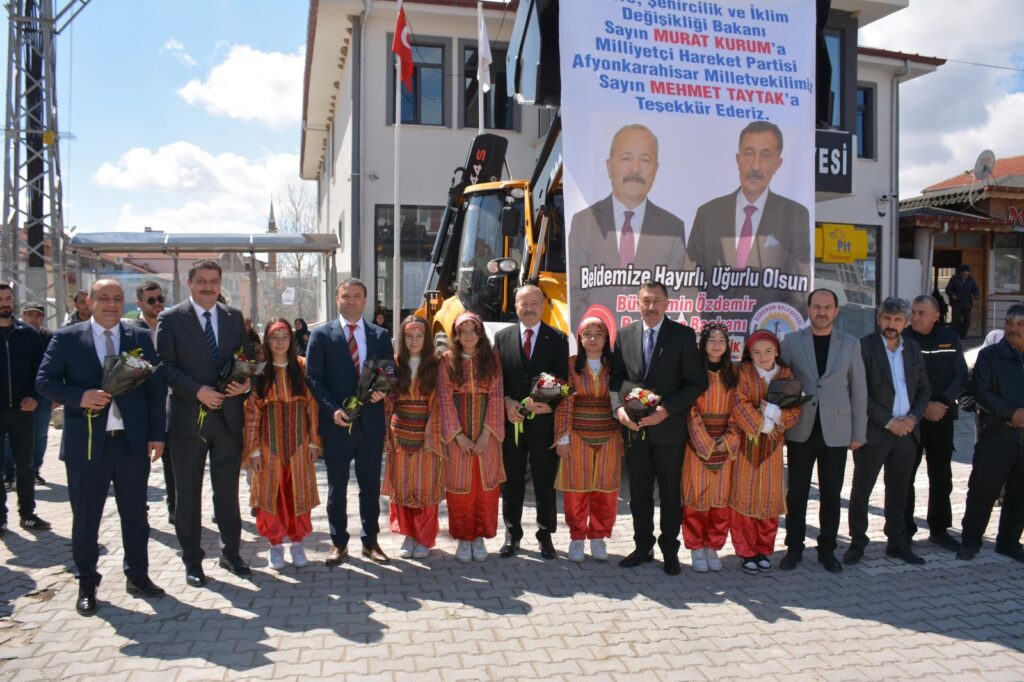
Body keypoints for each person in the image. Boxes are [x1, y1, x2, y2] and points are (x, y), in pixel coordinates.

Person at [36, 278, 166, 615]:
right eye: (104, 298)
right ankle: (87, 584)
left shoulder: (137, 337)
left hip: (131, 443)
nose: (111, 304)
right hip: (87, 445)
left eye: (117, 298)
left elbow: (154, 389)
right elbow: (44, 381)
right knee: (86, 519)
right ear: (89, 302)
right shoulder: (67, 339)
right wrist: (79, 397)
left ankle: (138, 575)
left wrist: (157, 434)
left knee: (136, 516)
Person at [156, 259, 254, 587]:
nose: (208, 286)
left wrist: (246, 384)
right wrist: (197, 391)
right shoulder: (171, 319)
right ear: (189, 282)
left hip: (228, 419)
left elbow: (246, 360)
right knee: (188, 494)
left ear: (220, 283)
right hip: (188, 421)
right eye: (202, 281)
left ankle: (231, 552)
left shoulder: (233, 317)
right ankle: (193, 560)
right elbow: (164, 368)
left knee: (227, 492)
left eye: (214, 281)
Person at [610, 280, 707, 575]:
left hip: (668, 432)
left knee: (668, 494)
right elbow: (616, 380)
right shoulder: (624, 335)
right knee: (639, 494)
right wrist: (619, 411)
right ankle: (643, 546)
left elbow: (696, 383)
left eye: (656, 302)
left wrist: (666, 411)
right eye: (645, 301)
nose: (651, 308)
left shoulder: (683, 336)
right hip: (634, 430)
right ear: (637, 304)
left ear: (667, 304)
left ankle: (669, 550)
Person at [778, 288, 867, 573]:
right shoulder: (791, 342)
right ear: (809, 309)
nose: (822, 312)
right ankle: (793, 549)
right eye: (817, 307)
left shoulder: (851, 344)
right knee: (797, 494)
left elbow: (859, 390)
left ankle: (827, 550)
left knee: (831, 494)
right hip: (800, 429)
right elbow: (782, 387)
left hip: (837, 431)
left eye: (828, 307)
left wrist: (858, 433)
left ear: (837, 311)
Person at [306, 278, 393, 566]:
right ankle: (338, 543)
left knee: (370, 487)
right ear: (337, 298)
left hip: (370, 425)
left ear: (365, 300)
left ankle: (371, 542)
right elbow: (314, 379)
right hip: (337, 424)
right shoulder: (321, 336)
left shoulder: (380, 335)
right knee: (337, 487)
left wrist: (383, 390)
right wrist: (331, 410)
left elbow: (388, 371)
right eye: (346, 295)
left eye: (357, 296)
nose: (352, 300)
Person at [568, 124, 687, 329]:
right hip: (599, 344)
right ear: (609, 166)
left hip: (648, 345)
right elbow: (576, 293)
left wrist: (648, 337)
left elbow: (673, 296)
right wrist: (595, 339)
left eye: (645, 160)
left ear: (655, 169)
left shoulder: (672, 227)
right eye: (626, 158)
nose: (635, 169)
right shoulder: (584, 222)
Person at [844, 298, 931, 566]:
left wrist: (913, 419)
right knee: (862, 490)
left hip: (907, 433)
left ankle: (897, 543)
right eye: (886, 319)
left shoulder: (913, 349)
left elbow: (924, 389)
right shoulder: (864, 347)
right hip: (875, 431)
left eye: (896, 320)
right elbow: (859, 392)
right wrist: (889, 422)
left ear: (906, 323)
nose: (891, 325)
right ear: (879, 319)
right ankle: (857, 543)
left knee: (900, 490)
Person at [495, 284, 570, 559]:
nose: (528, 308)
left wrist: (547, 406)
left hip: (542, 425)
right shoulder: (501, 338)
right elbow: (496, 381)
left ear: (543, 306)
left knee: (544, 481)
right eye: (522, 303)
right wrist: (506, 401)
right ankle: (512, 535)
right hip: (512, 422)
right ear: (514, 306)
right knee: (511, 481)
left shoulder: (558, 339)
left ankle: (545, 535)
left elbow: (564, 381)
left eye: (534, 303)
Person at [685, 122, 811, 283]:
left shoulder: (794, 216)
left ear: (777, 164)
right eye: (749, 154)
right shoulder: (707, 213)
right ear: (738, 160)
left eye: (765, 156)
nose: (755, 166)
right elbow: (689, 280)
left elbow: (798, 286)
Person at [242, 319, 321, 570]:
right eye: (274, 338)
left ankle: (297, 543)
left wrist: (313, 443)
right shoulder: (259, 371)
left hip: (299, 445)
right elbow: (252, 413)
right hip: (268, 446)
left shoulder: (303, 367)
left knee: (297, 492)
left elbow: (312, 408)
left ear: (291, 340)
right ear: (267, 341)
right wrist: (253, 450)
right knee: (271, 497)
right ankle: (275, 546)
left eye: (284, 337)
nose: (280, 343)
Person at [729, 329, 801, 573]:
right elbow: (738, 402)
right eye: (757, 352)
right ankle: (746, 551)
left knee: (768, 500)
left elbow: (794, 407)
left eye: (768, 351)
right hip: (746, 446)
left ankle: (763, 549)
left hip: (772, 448)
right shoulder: (743, 372)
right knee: (744, 498)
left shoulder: (785, 374)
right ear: (750, 353)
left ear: (777, 351)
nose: (763, 357)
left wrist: (775, 416)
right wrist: (764, 424)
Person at [436, 312, 506, 562]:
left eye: (473, 330)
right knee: (460, 487)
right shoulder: (446, 361)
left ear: (480, 334)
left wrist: (488, 433)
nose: (468, 336)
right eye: (462, 331)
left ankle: (479, 537)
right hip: (459, 434)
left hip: (487, 431)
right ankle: (464, 538)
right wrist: (458, 436)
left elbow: (497, 396)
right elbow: (444, 400)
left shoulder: (493, 360)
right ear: (455, 334)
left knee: (485, 487)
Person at [957, 303, 1024, 563]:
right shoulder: (990, 356)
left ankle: (1008, 543)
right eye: (1009, 324)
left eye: (1020, 324)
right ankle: (970, 542)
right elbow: (981, 393)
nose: (1013, 329)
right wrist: (1012, 413)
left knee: (1019, 495)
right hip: (996, 437)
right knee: (982, 492)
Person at [554, 317, 623, 563]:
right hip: (577, 433)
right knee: (576, 489)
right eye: (588, 334)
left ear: (606, 338)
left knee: (605, 490)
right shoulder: (571, 365)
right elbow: (564, 401)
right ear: (580, 339)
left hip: (609, 434)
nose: (593, 339)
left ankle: (598, 537)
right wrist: (562, 436)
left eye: (598, 334)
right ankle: (576, 538)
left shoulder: (615, 366)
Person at [902, 295, 968, 551]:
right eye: (914, 312)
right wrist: (924, 407)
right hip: (912, 419)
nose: (915, 318)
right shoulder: (905, 339)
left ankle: (940, 529)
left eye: (921, 313)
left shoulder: (950, 338)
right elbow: (902, 380)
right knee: (905, 474)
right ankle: (904, 530)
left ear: (936, 316)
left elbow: (960, 374)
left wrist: (942, 402)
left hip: (943, 416)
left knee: (941, 475)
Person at [383, 316, 443, 559]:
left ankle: (424, 537)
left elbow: (441, 402)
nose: (414, 340)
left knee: (426, 486)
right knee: (404, 484)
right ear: (402, 338)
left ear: (426, 338)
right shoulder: (394, 364)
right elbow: (387, 403)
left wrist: (433, 434)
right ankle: (408, 534)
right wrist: (387, 434)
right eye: (409, 336)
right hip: (400, 432)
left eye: (419, 335)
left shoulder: (438, 365)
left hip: (428, 431)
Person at [682, 323, 740, 573]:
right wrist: (704, 440)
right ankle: (696, 546)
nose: (716, 344)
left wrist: (727, 438)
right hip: (698, 442)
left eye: (721, 340)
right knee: (697, 497)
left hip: (726, 442)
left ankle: (713, 546)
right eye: (711, 339)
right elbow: (689, 407)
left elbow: (739, 408)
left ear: (728, 345)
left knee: (720, 499)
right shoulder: (694, 373)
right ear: (703, 344)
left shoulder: (734, 374)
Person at [0, 284, 48, 535]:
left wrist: (34, 396)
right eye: (0, 299)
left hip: (23, 410)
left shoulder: (28, 334)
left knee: (25, 465)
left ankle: (27, 514)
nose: (5, 303)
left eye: (8, 298)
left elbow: (41, 372)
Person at [132, 281, 175, 524]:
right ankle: (139, 511)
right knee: (138, 465)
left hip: (169, 404)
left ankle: (174, 509)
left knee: (171, 461)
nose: (158, 303)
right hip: (141, 407)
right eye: (151, 300)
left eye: (160, 298)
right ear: (139, 303)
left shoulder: (170, 325)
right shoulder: (131, 330)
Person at [17, 302, 53, 486]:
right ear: (23, 316)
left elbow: (55, 366)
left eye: (38, 315)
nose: (34, 318)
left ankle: (34, 470)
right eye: (30, 314)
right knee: (13, 436)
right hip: (19, 394)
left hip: (43, 393)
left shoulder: (48, 336)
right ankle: (11, 474)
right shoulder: (16, 334)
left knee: (40, 435)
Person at [945, 264, 980, 338]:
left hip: (967, 303)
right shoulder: (954, 279)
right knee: (956, 320)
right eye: (964, 273)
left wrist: (976, 295)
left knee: (967, 320)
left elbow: (975, 289)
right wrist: (952, 295)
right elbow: (948, 289)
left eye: (967, 273)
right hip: (956, 303)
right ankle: (955, 335)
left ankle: (963, 335)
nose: (965, 275)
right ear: (960, 273)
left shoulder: (971, 279)